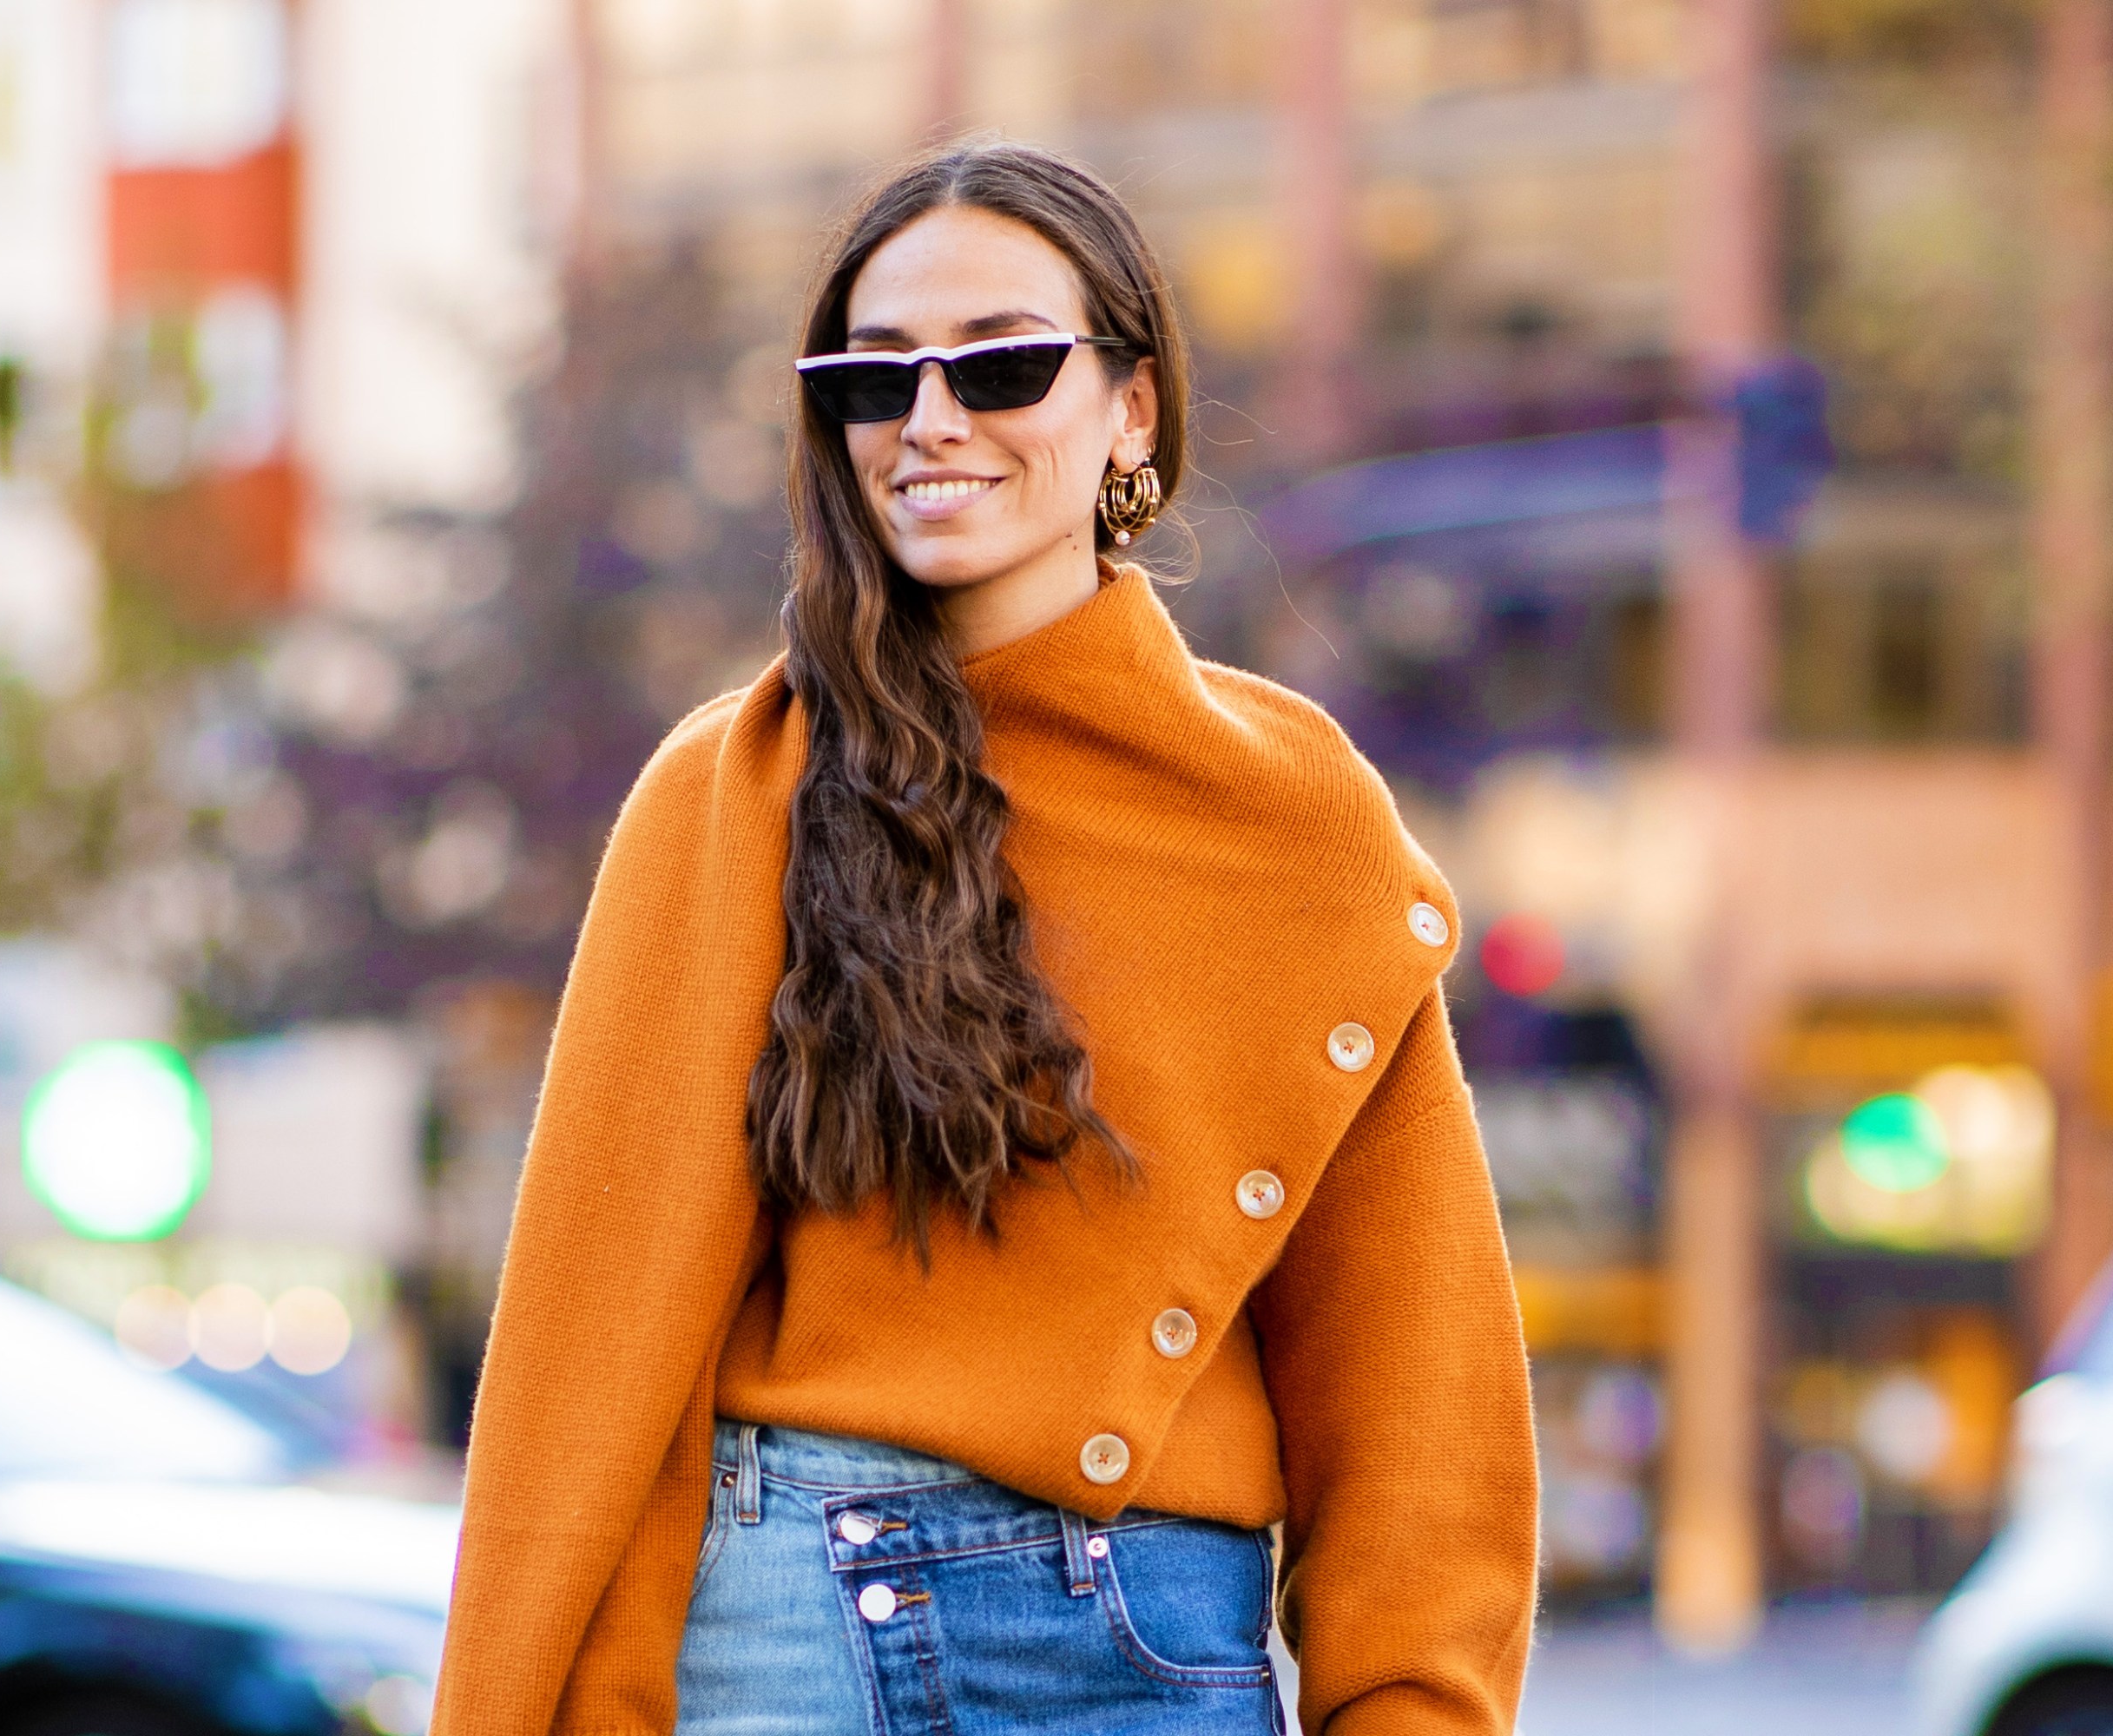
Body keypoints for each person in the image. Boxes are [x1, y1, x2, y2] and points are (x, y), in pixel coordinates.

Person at [435, 140, 1537, 1734]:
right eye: (873, 381)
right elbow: (587, 1356)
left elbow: (1414, 1376)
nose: (933, 421)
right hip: (797, 1628)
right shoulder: (736, 792)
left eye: (1004, 363)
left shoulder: (1293, 820)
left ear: (1132, 412)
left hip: (1164, 1658)